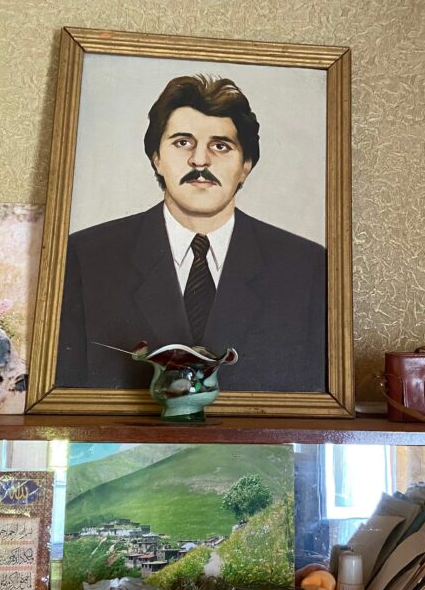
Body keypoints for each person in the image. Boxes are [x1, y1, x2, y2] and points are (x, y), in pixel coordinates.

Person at [56, 74, 326, 391]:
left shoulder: (307, 266)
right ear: (156, 158)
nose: (200, 159)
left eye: (221, 145)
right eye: (183, 143)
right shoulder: (86, 256)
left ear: (246, 165)